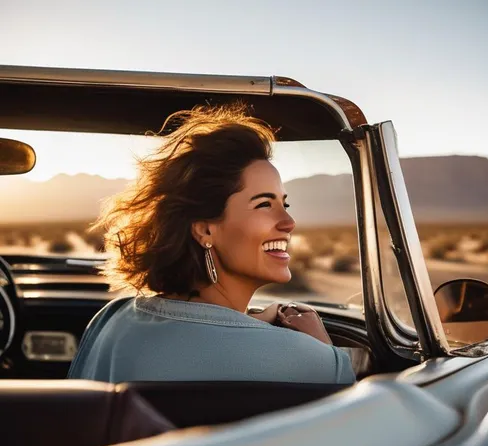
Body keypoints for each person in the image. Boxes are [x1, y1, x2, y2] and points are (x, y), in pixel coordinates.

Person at [68, 104, 356, 385]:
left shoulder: (110, 321)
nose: (288, 222)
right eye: (264, 204)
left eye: (285, 203)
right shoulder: (310, 361)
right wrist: (324, 352)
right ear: (205, 229)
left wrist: (249, 319)